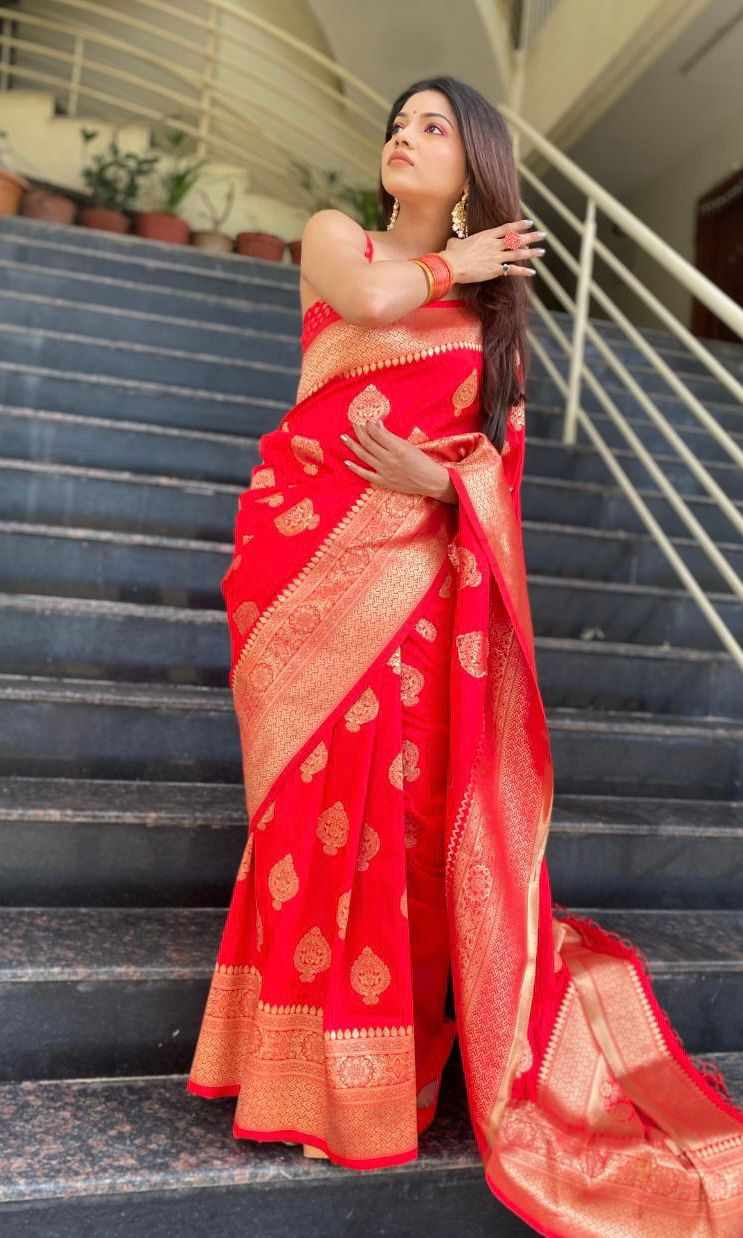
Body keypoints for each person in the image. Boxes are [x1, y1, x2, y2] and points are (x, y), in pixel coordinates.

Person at [186, 77, 743, 1234]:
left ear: (473, 159)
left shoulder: (496, 331)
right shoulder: (335, 236)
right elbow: (364, 295)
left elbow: (495, 471)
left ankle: (376, 1075)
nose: (403, 135)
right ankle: (288, 1068)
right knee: (304, 814)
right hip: (302, 562)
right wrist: (462, 259)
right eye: (397, 122)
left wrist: (437, 482)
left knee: (392, 822)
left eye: (431, 126)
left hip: (420, 593)